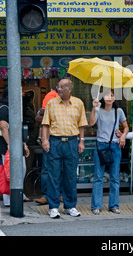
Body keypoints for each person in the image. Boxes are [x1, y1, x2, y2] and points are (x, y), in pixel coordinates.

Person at [41, 78, 88, 218]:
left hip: (72, 142)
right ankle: (53, 207)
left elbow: (81, 125)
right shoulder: (51, 103)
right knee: (54, 175)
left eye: (61, 87)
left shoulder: (78, 103)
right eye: (58, 87)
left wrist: (82, 141)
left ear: (69, 89)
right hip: (55, 142)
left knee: (70, 176)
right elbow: (45, 124)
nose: (59, 89)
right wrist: (45, 140)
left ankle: (70, 206)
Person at [88, 89, 128, 215]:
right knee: (98, 177)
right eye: (106, 95)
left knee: (115, 178)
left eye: (111, 95)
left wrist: (122, 136)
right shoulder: (99, 110)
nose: (109, 97)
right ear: (102, 98)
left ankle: (114, 205)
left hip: (115, 146)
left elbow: (126, 126)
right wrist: (94, 108)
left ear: (114, 98)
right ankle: (96, 206)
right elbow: (91, 123)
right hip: (101, 146)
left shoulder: (118, 111)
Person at [0, 88, 31, 206]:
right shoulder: (4, 109)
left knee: (21, 168)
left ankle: (18, 194)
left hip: (16, 145)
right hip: (7, 146)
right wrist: (9, 144)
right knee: (8, 171)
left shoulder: (14, 109)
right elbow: (3, 127)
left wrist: (24, 145)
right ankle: (8, 199)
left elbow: (17, 130)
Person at [34, 86, 58, 206]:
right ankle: (46, 195)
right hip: (48, 138)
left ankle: (58, 194)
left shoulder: (71, 103)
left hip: (59, 138)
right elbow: (38, 117)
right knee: (47, 168)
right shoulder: (51, 95)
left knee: (57, 168)